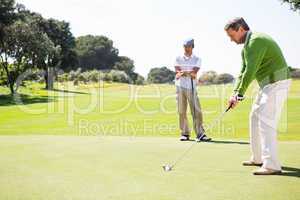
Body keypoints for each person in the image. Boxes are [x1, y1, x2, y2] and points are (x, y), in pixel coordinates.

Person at [224, 17, 291, 175]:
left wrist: (240, 94)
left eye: (231, 35)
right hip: (267, 85)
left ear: (241, 29)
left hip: (277, 83)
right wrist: (235, 93)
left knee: (266, 121)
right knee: (254, 117)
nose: (231, 40)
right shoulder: (245, 48)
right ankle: (258, 158)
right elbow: (242, 72)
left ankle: (272, 165)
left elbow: (250, 71)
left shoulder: (256, 40)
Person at [174, 38, 211, 142]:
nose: (186, 48)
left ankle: (200, 134)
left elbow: (194, 73)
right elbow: (177, 72)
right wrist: (186, 73)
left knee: (196, 111)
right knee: (182, 111)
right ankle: (185, 134)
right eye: (185, 46)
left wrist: (184, 73)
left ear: (192, 47)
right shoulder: (178, 58)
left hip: (192, 87)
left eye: (188, 46)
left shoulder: (197, 59)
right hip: (180, 87)